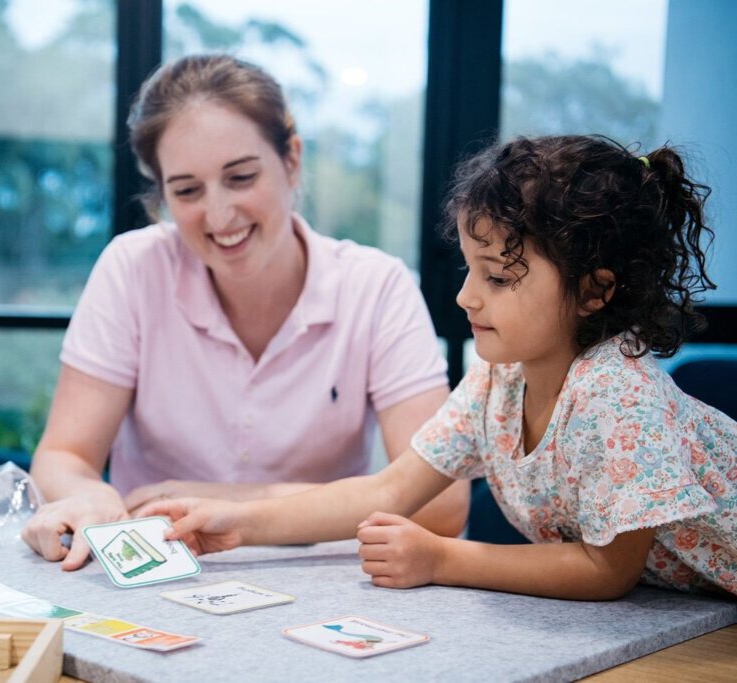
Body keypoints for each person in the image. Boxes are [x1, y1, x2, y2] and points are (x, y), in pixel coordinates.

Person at [141, 135, 737, 600]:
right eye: (469, 271)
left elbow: (607, 571)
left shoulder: (619, 396)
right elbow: (389, 489)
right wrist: (239, 523)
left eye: (498, 277)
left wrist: (443, 559)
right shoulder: (498, 380)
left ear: (595, 290)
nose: (466, 298)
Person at [21, 54, 470, 570]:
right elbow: (62, 455)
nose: (218, 215)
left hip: (325, 580)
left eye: (240, 178)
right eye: (187, 190)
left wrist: (228, 504)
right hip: (155, 576)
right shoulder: (133, 269)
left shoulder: (377, 286)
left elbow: (441, 504)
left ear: (292, 160)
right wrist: (89, 494)